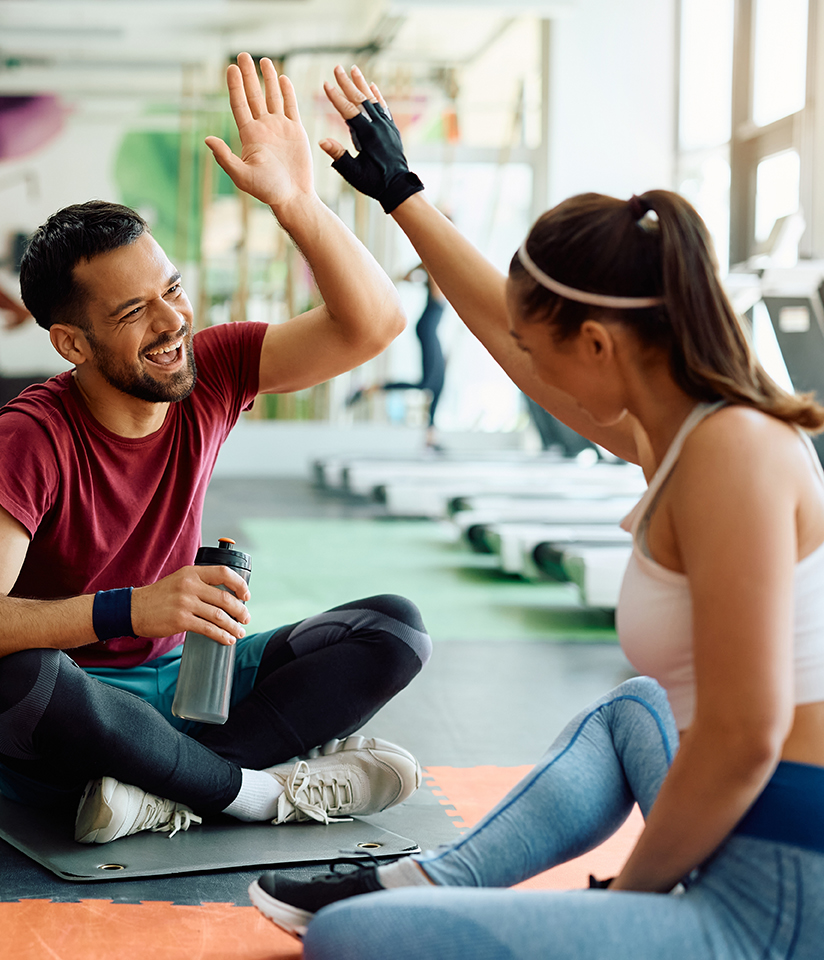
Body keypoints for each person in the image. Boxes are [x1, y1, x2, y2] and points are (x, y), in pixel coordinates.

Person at [248, 64, 824, 958]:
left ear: (597, 343)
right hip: (756, 825)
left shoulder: (733, 454)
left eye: (542, 343)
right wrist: (403, 197)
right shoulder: (683, 434)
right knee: (634, 708)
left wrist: (627, 900)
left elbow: (748, 737)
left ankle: (409, 901)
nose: (525, 364)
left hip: (783, 893)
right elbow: (513, 337)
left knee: (356, 944)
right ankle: (426, 880)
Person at [0, 54, 433, 846]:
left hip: (190, 690)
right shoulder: (28, 438)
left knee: (395, 629)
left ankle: (166, 791)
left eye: (171, 287)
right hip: (78, 707)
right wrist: (135, 607)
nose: (171, 321)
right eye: (134, 310)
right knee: (22, 676)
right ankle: (256, 794)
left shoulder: (213, 369)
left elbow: (373, 325)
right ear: (72, 343)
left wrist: (296, 200)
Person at [349, 264, 446, 449]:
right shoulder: (438, 280)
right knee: (427, 384)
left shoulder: (437, 282)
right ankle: (370, 388)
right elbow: (426, 261)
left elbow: (417, 271)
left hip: (430, 332)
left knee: (439, 383)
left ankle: (431, 436)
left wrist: (412, 275)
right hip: (428, 332)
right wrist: (416, 272)